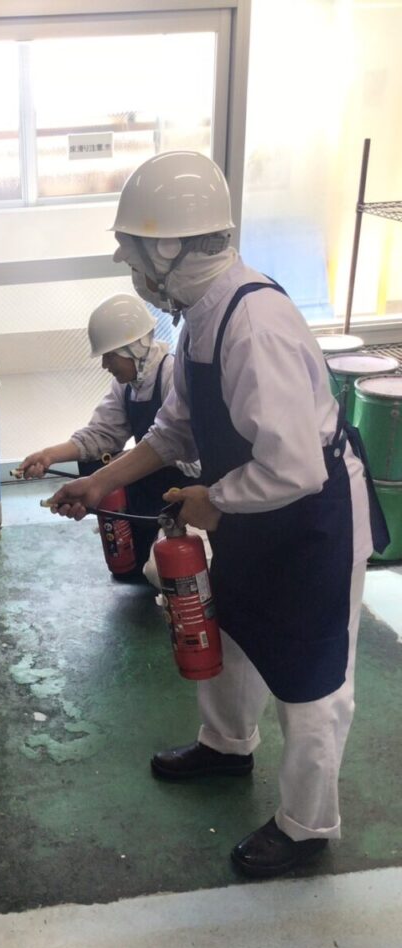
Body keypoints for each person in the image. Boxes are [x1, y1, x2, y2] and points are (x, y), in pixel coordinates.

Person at [46, 151, 388, 878]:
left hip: (311, 524)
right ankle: (227, 746)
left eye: (135, 250)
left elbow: (295, 468)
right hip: (256, 513)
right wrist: (99, 482)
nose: (131, 267)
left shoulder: (252, 324)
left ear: (171, 250)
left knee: (312, 680)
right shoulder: (200, 318)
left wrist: (213, 500)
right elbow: (174, 430)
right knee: (232, 632)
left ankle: (306, 825)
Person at [19, 293, 197, 576]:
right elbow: (101, 435)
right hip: (152, 489)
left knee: (157, 574)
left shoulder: (171, 376)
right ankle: (134, 549)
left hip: (182, 491)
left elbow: (189, 458)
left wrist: (117, 467)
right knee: (94, 463)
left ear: (135, 349)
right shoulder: (127, 386)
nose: (104, 365)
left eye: (110, 355)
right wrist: (49, 455)